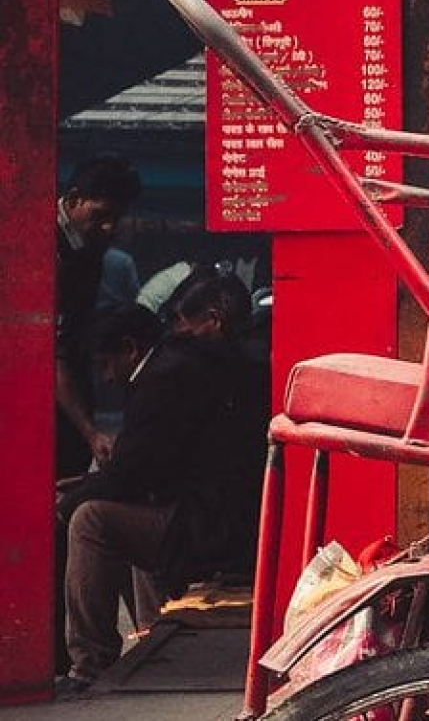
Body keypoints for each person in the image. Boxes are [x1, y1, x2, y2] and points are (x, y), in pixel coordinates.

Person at [56, 274, 269, 691]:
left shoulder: (168, 375)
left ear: (129, 350)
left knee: (91, 521)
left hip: (212, 522)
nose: (107, 377)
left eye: (106, 363)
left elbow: (134, 474)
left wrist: (71, 497)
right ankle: (151, 636)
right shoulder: (190, 364)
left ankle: (88, 662)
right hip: (216, 507)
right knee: (120, 513)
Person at [56, 154, 142, 478]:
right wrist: (90, 432)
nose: (108, 227)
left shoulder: (89, 247)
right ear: (74, 199)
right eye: (101, 215)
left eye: (115, 219)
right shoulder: (41, 244)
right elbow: (55, 353)